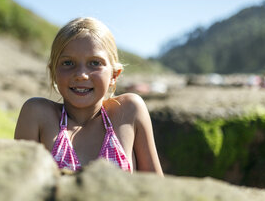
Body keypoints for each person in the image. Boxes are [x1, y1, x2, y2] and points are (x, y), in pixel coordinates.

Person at [14, 17, 163, 175]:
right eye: (68, 63)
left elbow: (157, 188)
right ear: (54, 72)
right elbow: (16, 185)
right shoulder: (38, 114)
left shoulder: (129, 111)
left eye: (95, 63)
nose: (81, 75)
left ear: (114, 75)